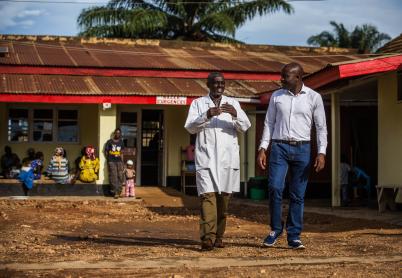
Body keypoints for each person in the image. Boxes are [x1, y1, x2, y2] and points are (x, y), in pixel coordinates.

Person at [257, 62, 327, 249]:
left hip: (303, 149)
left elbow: (321, 128)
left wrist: (321, 152)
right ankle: (275, 229)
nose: (281, 79)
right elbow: (269, 123)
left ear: (298, 77)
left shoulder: (314, 97)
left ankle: (294, 236)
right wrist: (263, 147)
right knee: (274, 187)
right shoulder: (276, 96)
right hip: (279, 147)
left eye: (285, 76)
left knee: (297, 195)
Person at [184, 72, 251, 251]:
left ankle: (219, 236)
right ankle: (207, 237)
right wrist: (206, 115)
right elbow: (190, 128)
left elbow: (245, 127)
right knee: (208, 197)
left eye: (221, 83)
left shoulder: (233, 103)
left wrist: (236, 114)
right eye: (215, 83)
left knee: (223, 201)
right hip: (206, 159)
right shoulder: (198, 104)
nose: (219, 85)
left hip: (227, 161)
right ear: (208, 84)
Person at [104, 128, 125, 198]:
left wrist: (122, 162)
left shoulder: (121, 142)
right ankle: (115, 192)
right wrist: (108, 159)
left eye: (119, 133)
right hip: (111, 161)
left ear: (120, 134)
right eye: (116, 133)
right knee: (113, 176)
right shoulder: (109, 142)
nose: (118, 134)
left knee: (120, 176)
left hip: (119, 161)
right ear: (114, 133)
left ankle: (119, 192)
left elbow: (121, 153)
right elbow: (106, 151)